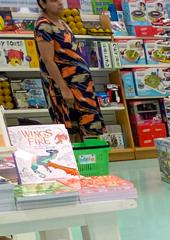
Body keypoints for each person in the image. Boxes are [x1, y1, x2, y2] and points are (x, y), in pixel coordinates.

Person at [34, 0, 106, 142]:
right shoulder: (44, 25)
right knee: (70, 127)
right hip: (66, 85)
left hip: (82, 85)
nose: (60, 3)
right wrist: (64, 88)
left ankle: (93, 158)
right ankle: (77, 161)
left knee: (90, 125)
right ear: (43, 4)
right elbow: (48, 60)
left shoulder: (62, 23)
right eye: (54, 1)